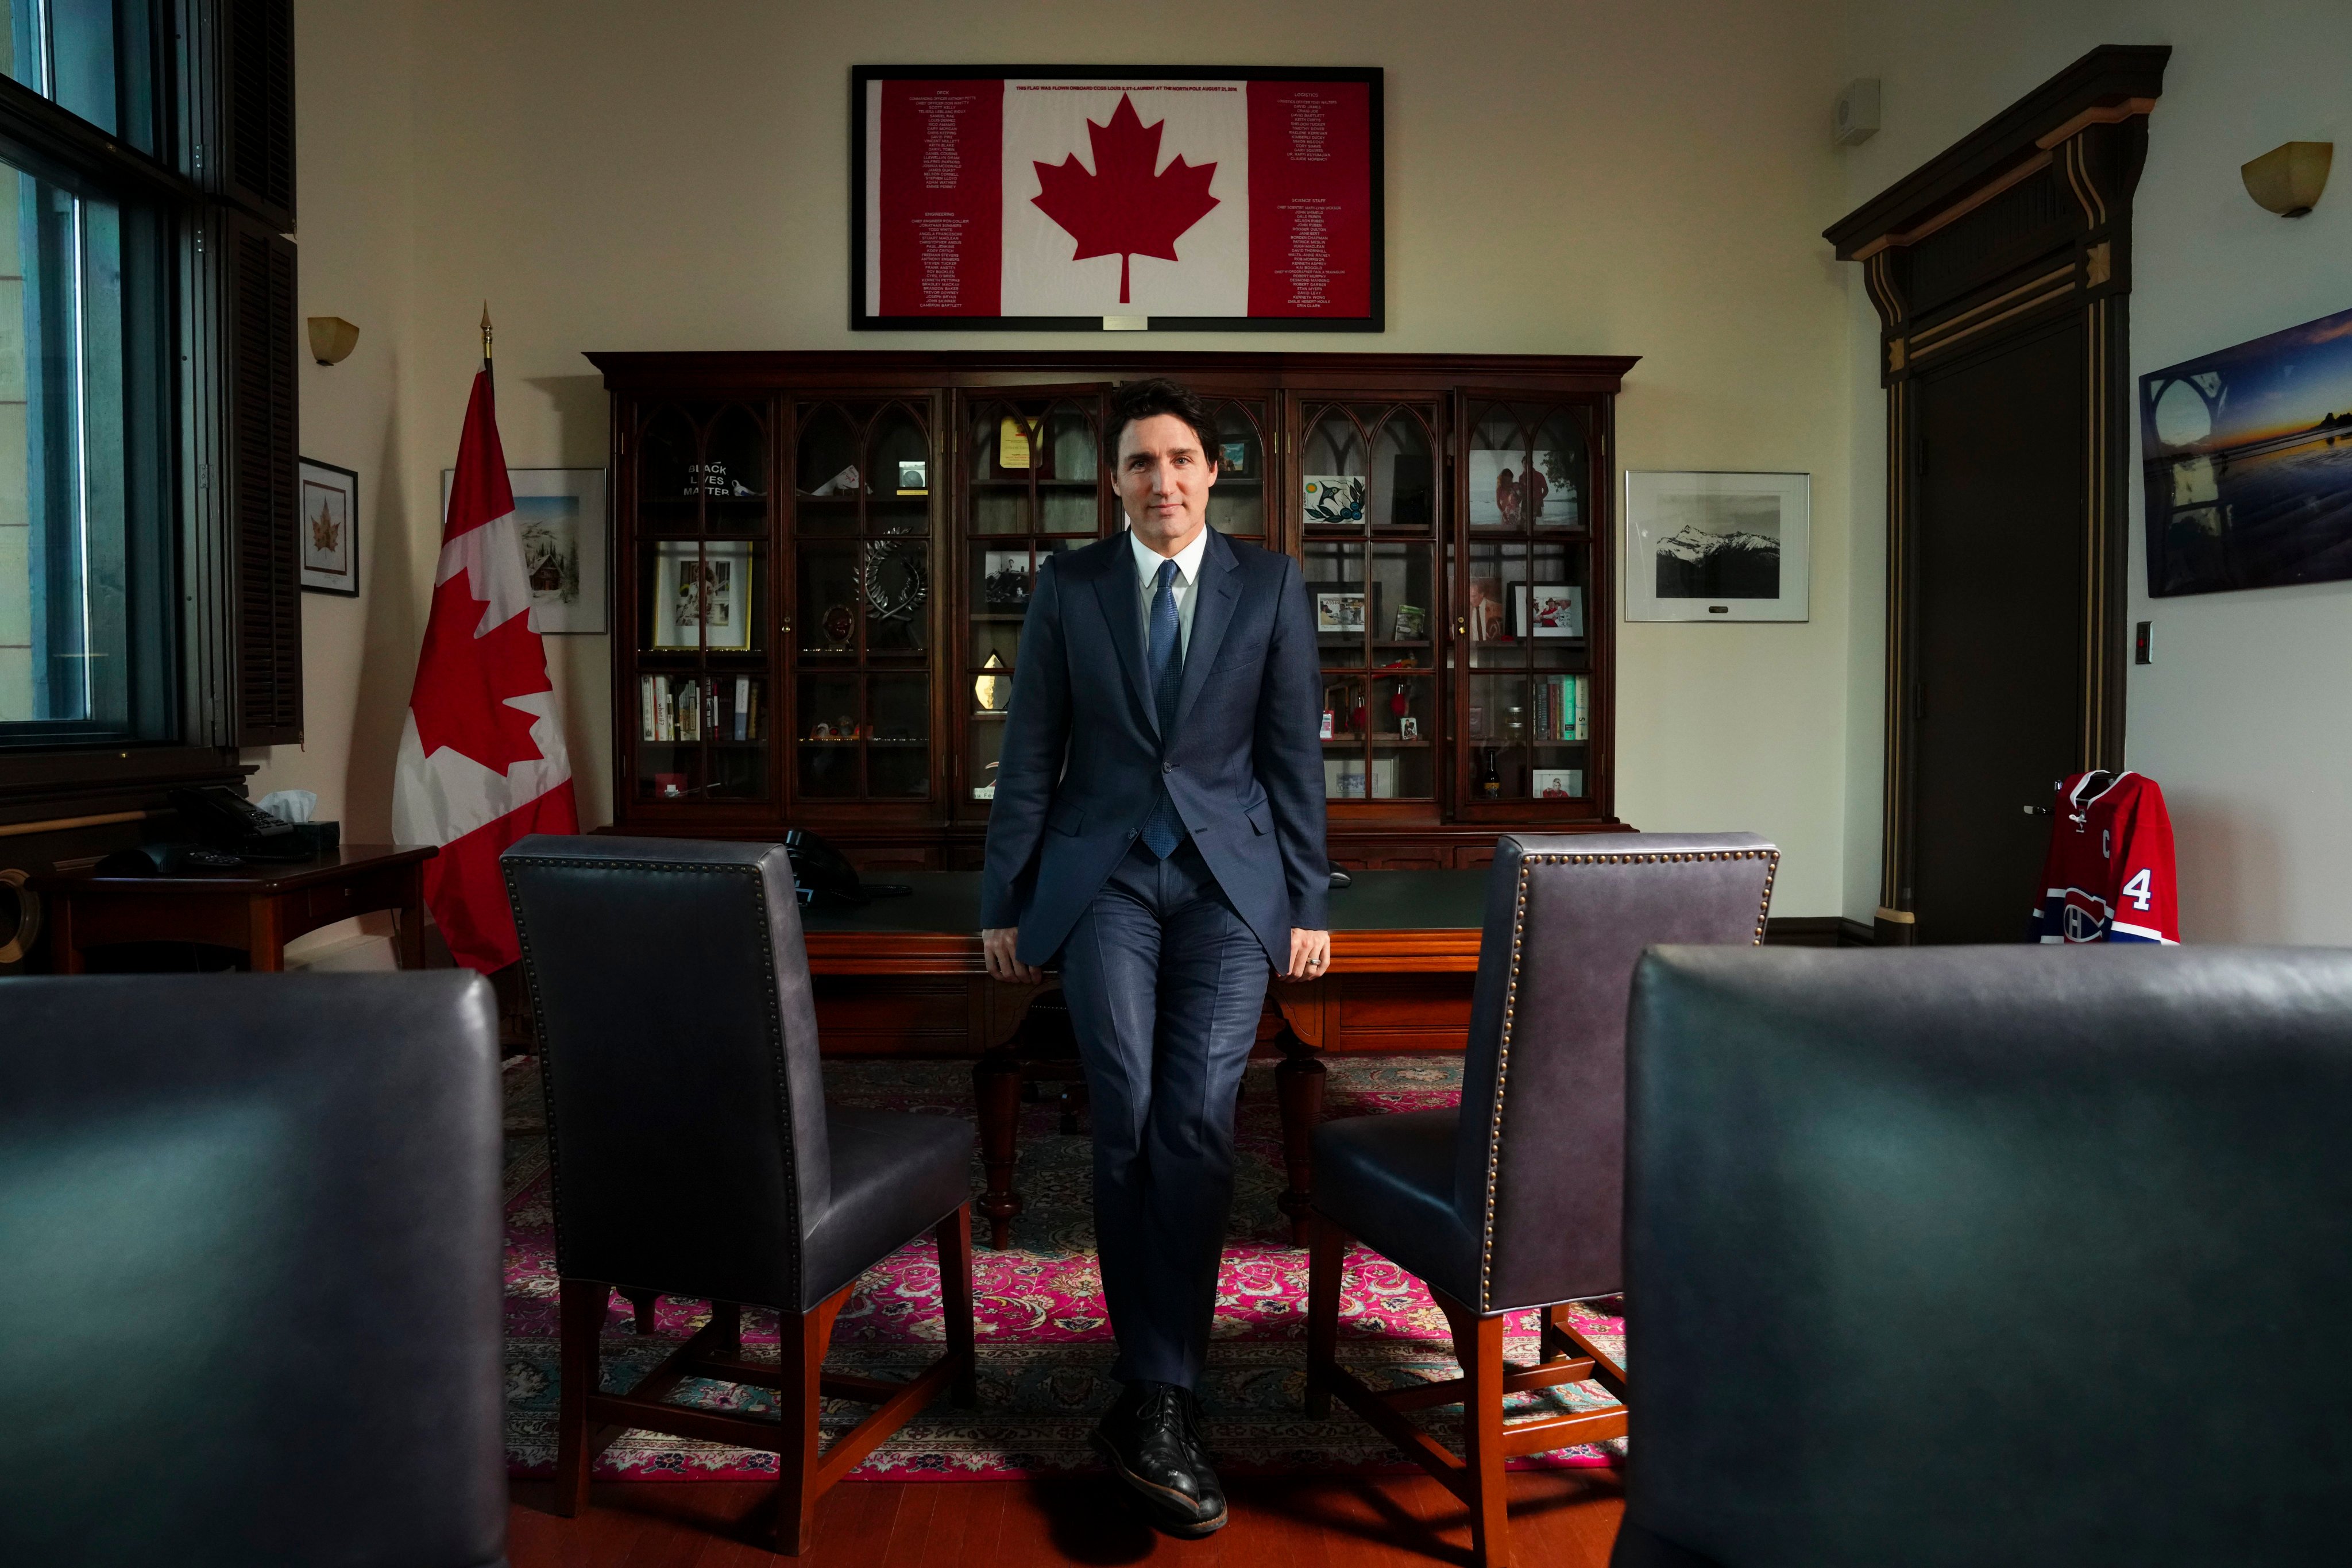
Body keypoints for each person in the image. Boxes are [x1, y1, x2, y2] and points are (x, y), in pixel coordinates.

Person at [979, 378, 1330, 1537]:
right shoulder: (1067, 586)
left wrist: (1307, 898)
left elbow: (1289, 759)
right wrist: (1006, 897)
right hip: (1108, 879)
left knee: (1193, 1116)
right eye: (1138, 464)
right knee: (1124, 1107)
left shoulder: (1269, 584)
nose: (1161, 482)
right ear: (1113, 481)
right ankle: (1161, 1385)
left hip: (1229, 889)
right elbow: (1029, 748)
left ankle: (1156, 1390)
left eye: (1179, 460)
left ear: (1212, 471)